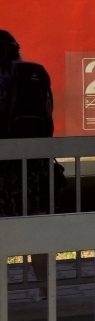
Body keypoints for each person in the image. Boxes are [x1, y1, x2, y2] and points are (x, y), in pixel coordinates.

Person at [0, 30, 55, 287]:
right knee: (36, 228)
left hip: (3, 168)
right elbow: (48, 115)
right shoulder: (35, 72)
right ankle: (45, 288)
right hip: (34, 166)